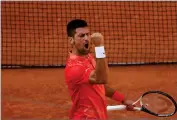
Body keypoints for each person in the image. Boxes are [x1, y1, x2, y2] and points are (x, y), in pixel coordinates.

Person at [65, 19, 135, 120]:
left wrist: (123, 99)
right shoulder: (75, 68)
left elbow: (99, 85)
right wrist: (99, 47)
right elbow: (102, 78)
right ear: (71, 40)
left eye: (88, 34)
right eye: (81, 36)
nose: (87, 39)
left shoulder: (88, 57)